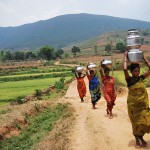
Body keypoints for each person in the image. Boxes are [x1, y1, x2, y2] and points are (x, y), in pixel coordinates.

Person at [123, 51, 150, 147]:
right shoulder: (129, 80)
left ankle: (141, 137)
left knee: (146, 122)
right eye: (135, 71)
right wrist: (125, 57)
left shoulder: (142, 78)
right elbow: (124, 69)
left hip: (143, 106)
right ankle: (138, 139)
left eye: (138, 71)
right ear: (131, 72)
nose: (137, 73)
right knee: (136, 123)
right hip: (133, 107)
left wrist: (143, 58)